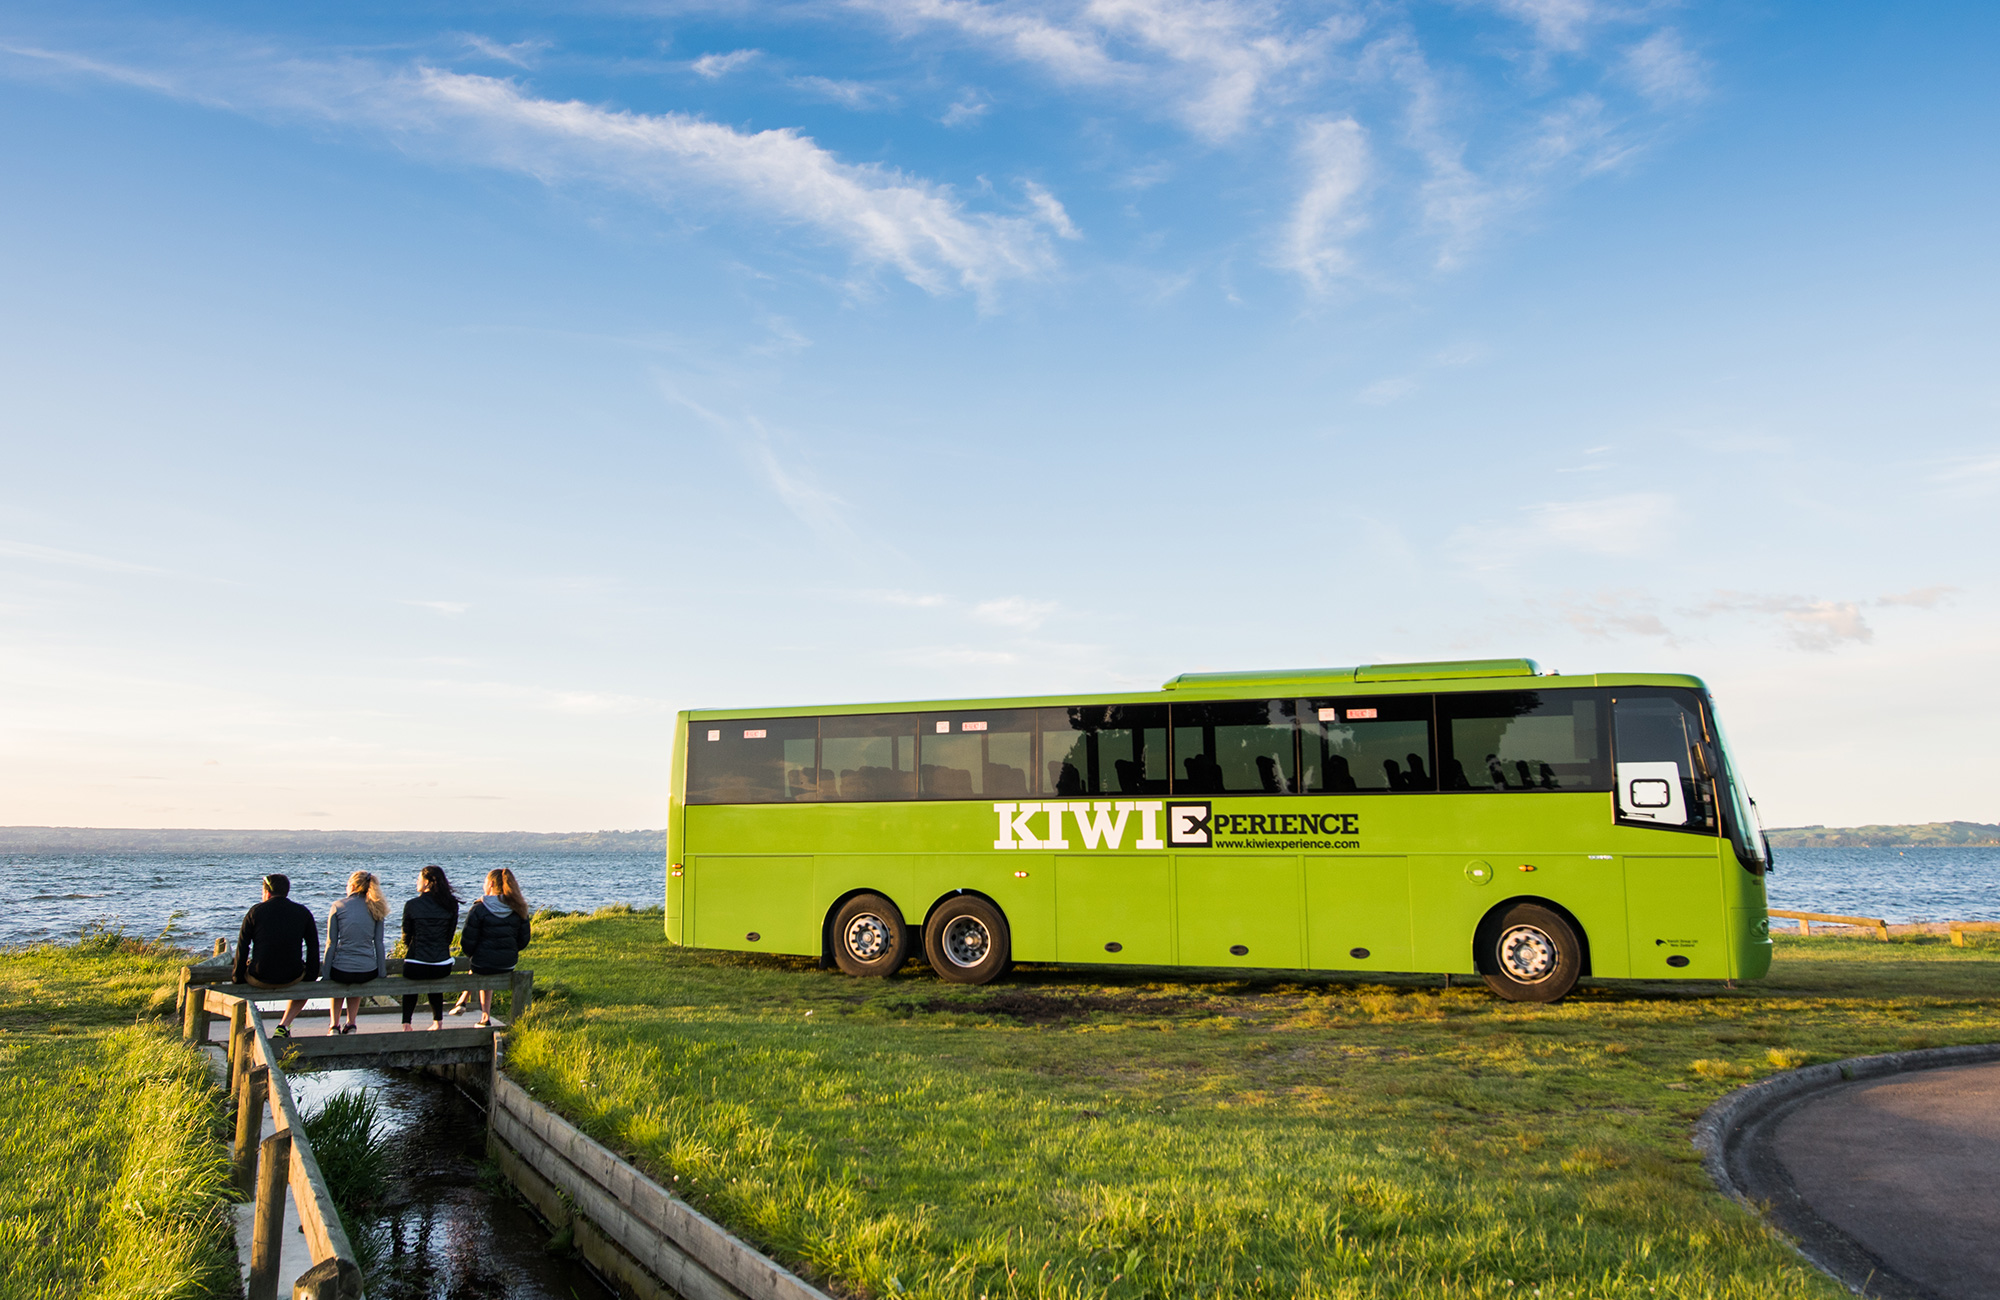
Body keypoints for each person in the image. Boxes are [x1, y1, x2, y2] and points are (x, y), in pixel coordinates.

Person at [233, 873, 319, 1037]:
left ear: (267, 892)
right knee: (306, 989)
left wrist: (238, 977)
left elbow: (242, 947)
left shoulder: (255, 912)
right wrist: (311, 975)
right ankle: (284, 1025)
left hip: (259, 975)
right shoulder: (302, 912)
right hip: (292, 975)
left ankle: (250, 1027)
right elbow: (313, 948)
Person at [460, 867, 532, 1028]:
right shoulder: (519, 908)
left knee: (482, 964)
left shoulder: (479, 909)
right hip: (508, 962)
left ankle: (472, 1007)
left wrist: (473, 954)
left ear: (491, 884)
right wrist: (509, 950)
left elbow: (467, 942)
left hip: (482, 963)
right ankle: (483, 1016)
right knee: (485, 963)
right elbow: (523, 940)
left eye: (485, 882)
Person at [325, 870, 389, 1035]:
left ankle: (334, 1025)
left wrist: (326, 974)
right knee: (357, 981)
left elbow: (331, 943)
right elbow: (379, 944)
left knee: (338, 982)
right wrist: (382, 973)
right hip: (367, 971)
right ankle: (351, 1024)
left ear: (352, 886)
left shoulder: (338, 906)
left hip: (341, 970)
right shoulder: (376, 907)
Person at [400, 865, 460, 1032]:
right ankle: (438, 1022)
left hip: (416, 963)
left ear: (427, 883)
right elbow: (449, 936)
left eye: (419, 879)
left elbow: (406, 936)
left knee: (411, 984)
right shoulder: (451, 905)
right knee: (435, 979)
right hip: (442, 965)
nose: (416, 882)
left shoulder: (412, 905)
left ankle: (406, 1024)